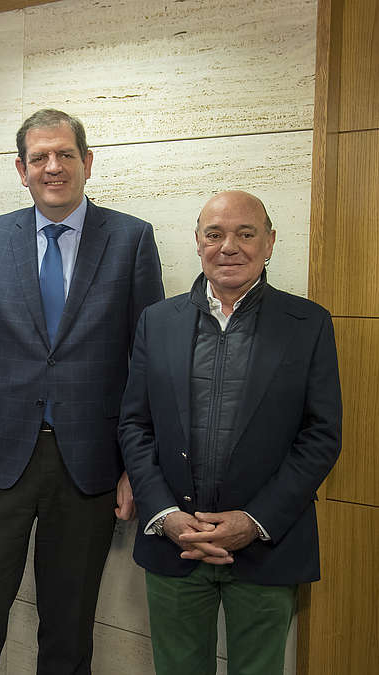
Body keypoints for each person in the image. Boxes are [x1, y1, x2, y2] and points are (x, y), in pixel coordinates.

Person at [0, 109, 164, 674]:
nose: (52, 167)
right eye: (39, 157)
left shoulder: (132, 239)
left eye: (64, 154)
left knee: (68, 630)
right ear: (21, 169)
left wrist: (139, 468)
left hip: (88, 465)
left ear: (87, 162)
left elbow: (147, 365)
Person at [118, 190, 342, 674]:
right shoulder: (157, 322)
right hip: (174, 543)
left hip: (267, 547)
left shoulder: (309, 324)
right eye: (214, 234)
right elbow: (135, 425)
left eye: (246, 234)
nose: (229, 247)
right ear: (198, 242)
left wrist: (254, 520)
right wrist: (164, 514)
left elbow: (321, 436)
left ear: (270, 243)